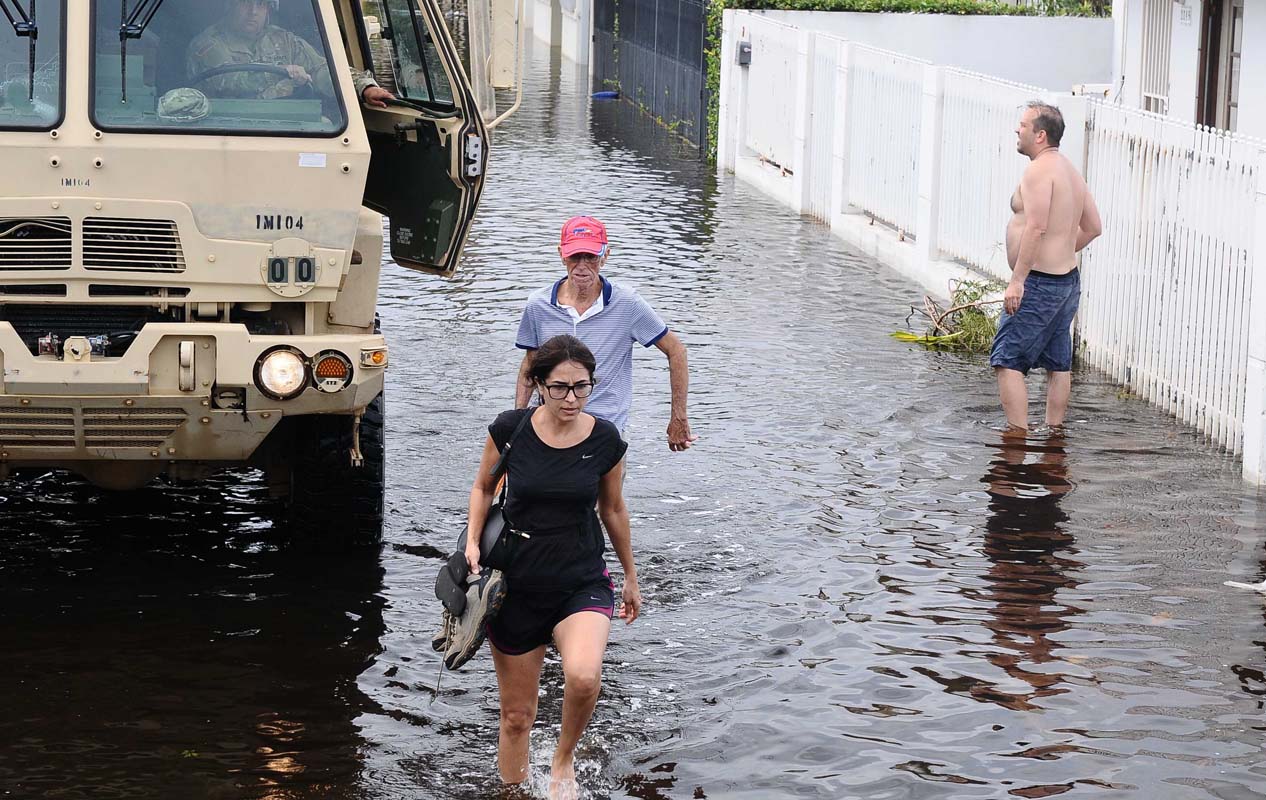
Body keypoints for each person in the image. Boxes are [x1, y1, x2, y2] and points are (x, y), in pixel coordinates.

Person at [465, 335, 640, 799]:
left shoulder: (605, 439)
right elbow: (484, 488)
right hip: (516, 583)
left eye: (581, 387)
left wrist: (630, 577)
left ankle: (563, 761)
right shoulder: (510, 428)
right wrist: (471, 544)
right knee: (517, 716)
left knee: (583, 675)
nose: (571, 398)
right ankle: (514, 791)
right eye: (560, 387)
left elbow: (614, 510)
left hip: (579, 578)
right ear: (539, 384)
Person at [515, 216, 696, 452]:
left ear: (605, 256)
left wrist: (678, 418)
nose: (581, 265)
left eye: (590, 257)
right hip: (549, 428)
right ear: (562, 255)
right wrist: (517, 421)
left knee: (605, 491)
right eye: (574, 256)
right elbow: (530, 365)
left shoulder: (627, 304)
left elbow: (676, 350)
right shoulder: (538, 305)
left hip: (605, 432)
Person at [990, 102, 1103, 432]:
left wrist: (1018, 281)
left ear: (1040, 135)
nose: (1017, 129)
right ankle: (1054, 437)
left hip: (1039, 284)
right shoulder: (1070, 171)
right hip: (1067, 283)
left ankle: (1016, 439)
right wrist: (1063, 251)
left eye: (1023, 125)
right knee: (1058, 362)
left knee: (1007, 360)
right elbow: (1094, 227)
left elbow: (1036, 227)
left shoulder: (1039, 171)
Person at [187, 0, 394, 108]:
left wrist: (363, 87)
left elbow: (323, 69)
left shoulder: (283, 40)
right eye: (245, 2)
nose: (253, 12)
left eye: (261, 4)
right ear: (230, 5)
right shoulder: (207, 44)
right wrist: (285, 74)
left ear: (269, 9)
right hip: (224, 130)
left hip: (287, 127)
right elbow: (229, 82)